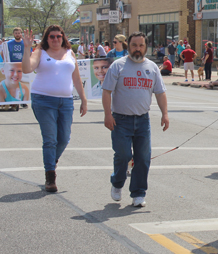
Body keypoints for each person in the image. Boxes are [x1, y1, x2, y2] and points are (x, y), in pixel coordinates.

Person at [102, 32, 169, 207]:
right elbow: (107, 91)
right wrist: (107, 114)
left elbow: (160, 93)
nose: (137, 49)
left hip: (142, 121)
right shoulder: (118, 66)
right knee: (123, 155)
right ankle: (117, 183)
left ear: (145, 47)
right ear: (128, 46)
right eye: (134, 45)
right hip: (120, 120)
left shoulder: (152, 67)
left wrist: (165, 114)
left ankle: (138, 193)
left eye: (141, 45)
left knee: (143, 158)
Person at [21, 25, 87, 192]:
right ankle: (50, 176)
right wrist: (27, 47)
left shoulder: (69, 53)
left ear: (63, 37)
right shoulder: (40, 52)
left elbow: (77, 78)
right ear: (47, 38)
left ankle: (51, 161)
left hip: (65, 102)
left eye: (58, 36)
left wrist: (84, 99)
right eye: (52, 37)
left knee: (64, 138)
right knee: (50, 139)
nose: (55, 39)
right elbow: (27, 68)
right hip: (43, 100)